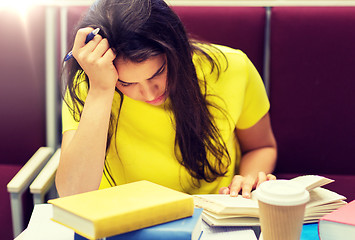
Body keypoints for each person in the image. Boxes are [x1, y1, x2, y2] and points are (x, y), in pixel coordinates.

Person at [56, 0, 277, 198]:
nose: (150, 94)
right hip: (121, 220)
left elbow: (261, 147)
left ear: (177, 50)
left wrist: (247, 180)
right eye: (126, 83)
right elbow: (73, 193)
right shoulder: (92, 84)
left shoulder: (233, 68)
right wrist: (102, 90)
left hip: (210, 212)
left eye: (158, 72)